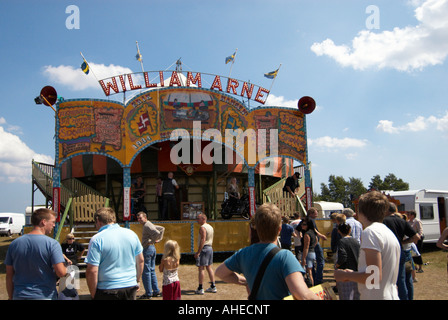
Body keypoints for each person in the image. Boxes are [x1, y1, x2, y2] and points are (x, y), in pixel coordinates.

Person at [215, 203, 319, 300]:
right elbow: (303, 295)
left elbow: (220, 273)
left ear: (257, 228)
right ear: (279, 229)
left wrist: (247, 282)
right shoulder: (285, 256)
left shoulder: (243, 253)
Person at [334, 191, 401, 300]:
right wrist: (355, 274)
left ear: (360, 211)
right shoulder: (387, 232)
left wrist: (346, 276)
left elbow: (373, 277)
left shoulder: (370, 232)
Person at [5, 208, 66, 300]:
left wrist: (11, 296)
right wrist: (66, 268)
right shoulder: (52, 244)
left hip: (20, 295)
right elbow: (61, 272)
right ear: (44, 222)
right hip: (44, 295)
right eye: (52, 222)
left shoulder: (15, 244)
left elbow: (9, 275)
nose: (54, 225)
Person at [85, 207, 144, 300]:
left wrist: (93, 293)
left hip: (107, 288)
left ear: (98, 220)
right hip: (129, 286)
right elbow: (140, 260)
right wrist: (137, 280)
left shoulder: (97, 239)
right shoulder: (132, 234)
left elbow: (92, 270)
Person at [383, 202, 420, 300]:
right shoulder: (402, 221)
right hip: (401, 251)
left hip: (388, 253)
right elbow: (416, 237)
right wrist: (404, 242)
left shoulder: (383, 221)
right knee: (402, 280)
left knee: (390, 282)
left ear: (386, 210)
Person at [137, 211, 165, 299]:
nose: (139, 220)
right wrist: (157, 240)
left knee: (146, 272)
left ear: (145, 217)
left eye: (140, 218)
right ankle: (156, 291)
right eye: (138, 218)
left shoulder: (147, 225)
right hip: (152, 249)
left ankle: (148, 293)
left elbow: (156, 233)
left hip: (147, 249)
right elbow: (162, 229)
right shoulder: (149, 224)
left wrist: (152, 241)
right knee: (151, 270)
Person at [300, 207, 327, 285]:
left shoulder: (307, 223)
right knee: (319, 262)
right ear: (311, 213)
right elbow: (314, 230)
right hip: (312, 245)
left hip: (311, 246)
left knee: (310, 268)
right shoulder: (310, 221)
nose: (317, 214)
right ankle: (317, 279)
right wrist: (320, 236)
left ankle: (314, 280)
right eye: (315, 213)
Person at [335, 223, 360, 300]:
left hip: (345, 272)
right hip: (356, 272)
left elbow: (343, 256)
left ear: (339, 231)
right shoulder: (356, 241)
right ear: (350, 230)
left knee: (346, 296)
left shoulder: (341, 242)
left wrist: (337, 265)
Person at [194, 213, 217, 294]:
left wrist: (198, 251)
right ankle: (213, 286)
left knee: (201, 268)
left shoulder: (202, 228)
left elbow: (203, 239)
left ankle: (200, 288)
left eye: (198, 218)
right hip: (210, 248)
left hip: (204, 248)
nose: (197, 220)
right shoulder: (210, 227)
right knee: (209, 267)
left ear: (203, 219)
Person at [300, 216, 317, 287]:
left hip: (308, 253)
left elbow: (306, 247)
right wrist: (313, 247)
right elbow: (316, 240)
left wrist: (303, 258)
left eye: (304, 224)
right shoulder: (313, 232)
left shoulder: (307, 234)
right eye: (302, 224)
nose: (302, 225)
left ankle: (311, 287)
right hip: (313, 252)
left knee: (309, 273)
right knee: (310, 271)